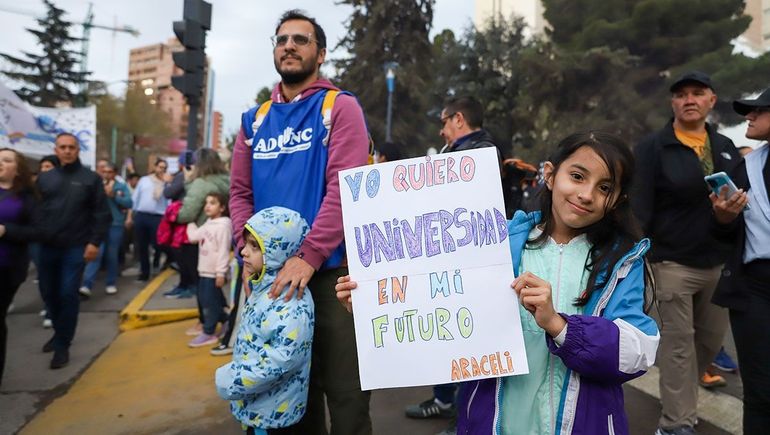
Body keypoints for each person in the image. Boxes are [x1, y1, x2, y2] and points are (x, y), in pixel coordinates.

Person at [337, 131, 659, 434]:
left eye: (604, 187)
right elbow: (441, 310)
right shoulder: (495, 241)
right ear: (549, 175)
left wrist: (560, 326)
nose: (586, 194)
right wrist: (374, 306)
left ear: (617, 198)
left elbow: (638, 352)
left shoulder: (622, 261)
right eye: (577, 176)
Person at [229, 9, 371, 434]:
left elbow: (345, 189)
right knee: (288, 401)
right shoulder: (253, 121)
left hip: (331, 277)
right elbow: (240, 194)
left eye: (300, 39)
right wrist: (247, 249)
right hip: (271, 284)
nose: (288, 45)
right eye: (281, 39)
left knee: (347, 397)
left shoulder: (339, 107)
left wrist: (308, 256)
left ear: (320, 53)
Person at [631, 71, 741, 435]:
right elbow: (640, 207)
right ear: (672, 103)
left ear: (712, 100)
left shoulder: (724, 145)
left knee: (708, 343)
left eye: (698, 93)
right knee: (678, 348)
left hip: (719, 262)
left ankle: (678, 398)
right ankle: (675, 423)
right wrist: (634, 256)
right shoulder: (652, 147)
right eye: (681, 94)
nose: (689, 99)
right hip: (671, 264)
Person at [404, 96, 501, 424]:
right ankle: (446, 400)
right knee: (447, 334)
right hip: (449, 261)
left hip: (467, 263)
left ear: (458, 119)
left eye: (444, 122)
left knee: (465, 339)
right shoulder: (460, 152)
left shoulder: (479, 153)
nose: (442, 130)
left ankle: (464, 418)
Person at [215, 206, 314, 435]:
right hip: (258, 407)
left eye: (255, 247)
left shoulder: (291, 301)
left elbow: (282, 359)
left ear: (278, 250)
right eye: (246, 243)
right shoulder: (264, 288)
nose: (244, 252)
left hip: (272, 416)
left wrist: (233, 378)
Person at [711, 87, 770, 434]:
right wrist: (722, 216)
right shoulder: (745, 166)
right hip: (755, 289)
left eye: (758, 110)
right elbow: (722, 234)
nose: (749, 116)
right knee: (761, 391)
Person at [34, 133, 110, 369]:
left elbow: (101, 214)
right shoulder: (45, 179)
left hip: (75, 248)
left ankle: (62, 345)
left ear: (78, 150)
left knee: (68, 294)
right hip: (46, 247)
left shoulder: (90, 179)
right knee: (49, 294)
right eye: (62, 147)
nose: (67, 151)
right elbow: (34, 211)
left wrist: (94, 243)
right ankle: (58, 333)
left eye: (71, 147)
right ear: (55, 150)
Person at [175, 148, 229, 335]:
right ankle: (222, 315)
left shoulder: (201, 183)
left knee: (203, 285)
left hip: (201, 237)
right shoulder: (227, 180)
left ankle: (206, 322)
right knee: (213, 282)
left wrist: (188, 182)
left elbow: (187, 213)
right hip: (223, 234)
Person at [0, 148, 37, 385]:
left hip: (6, 268)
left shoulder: (26, 198)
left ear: (17, 169)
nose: (1, 164)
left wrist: (6, 230)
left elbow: (37, 231)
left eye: (6, 160)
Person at [186, 192, 232, 348]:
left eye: (212, 203)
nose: (207, 206)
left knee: (208, 303)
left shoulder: (224, 226)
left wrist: (221, 273)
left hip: (213, 273)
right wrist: (190, 222)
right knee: (210, 300)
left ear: (222, 207)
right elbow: (193, 237)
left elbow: (223, 251)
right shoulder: (208, 224)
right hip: (204, 271)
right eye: (206, 202)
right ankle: (226, 321)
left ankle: (209, 332)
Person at [80, 161, 132, 296]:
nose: (107, 174)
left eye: (110, 172)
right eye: (104, 172)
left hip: (115, 224)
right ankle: (87, 285)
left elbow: (129, 202)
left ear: (115, 173)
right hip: (98, 224)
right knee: (96, 253)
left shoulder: (121, 186)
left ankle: (111, 283)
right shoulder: (96, 185)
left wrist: (114, 196)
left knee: (111, 254)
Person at [131, 159, 169, 282]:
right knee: (142, 245)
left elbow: (169, 201)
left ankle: (157, 262)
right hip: (142, 215)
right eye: (160, 167)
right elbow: (136, 197)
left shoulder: (166, 183)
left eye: (164, 168)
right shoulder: (144, 180)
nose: (161, 170)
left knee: (157, 243)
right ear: (155, 167)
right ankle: (144, 272)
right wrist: (132, 214)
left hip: (158, 217)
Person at [32, 155, 59, 329]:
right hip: (36, 237)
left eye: (49, 167)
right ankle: (47, 303)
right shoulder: (32, 190)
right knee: (42, 275)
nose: (45, 170)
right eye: (43, 167)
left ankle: (51, 310)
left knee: (53, 276)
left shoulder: (64, 188)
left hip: (57, 238)